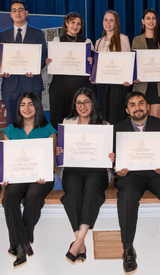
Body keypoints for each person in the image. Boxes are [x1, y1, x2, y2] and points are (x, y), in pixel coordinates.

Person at [114, 91, 160, 274]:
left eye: (141, 103)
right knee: (127, 195)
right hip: (131, 174)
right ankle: (128, 250)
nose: (137, 107)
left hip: (158, 172)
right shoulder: (118, 129)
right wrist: (115, 166)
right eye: (132, 105)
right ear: (127, 110)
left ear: (147, 106)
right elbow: (112, 160)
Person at [55, 87, 114, 263]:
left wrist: (111, 156)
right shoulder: (67, 123)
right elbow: (62, 153)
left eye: (86, 102)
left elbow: (108, 155)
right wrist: (59, 151)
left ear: (92, 104)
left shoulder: (104, 126)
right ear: (75, 105)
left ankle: (78, 241)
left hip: (97, 170)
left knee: (92, 189)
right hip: (73, 168)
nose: (82, 106)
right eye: (79, 102)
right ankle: (80, 241)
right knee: (72, 192)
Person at [1, 92, 57, 268]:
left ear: (37, 107)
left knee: (33, 197)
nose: (26, 108)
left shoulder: (49, 130)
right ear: (18, 108)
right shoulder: (10, 130)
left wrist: (46, 173)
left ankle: (18, 243)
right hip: (18, 176)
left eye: (30, 104)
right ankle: (24, 243)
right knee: (9, 197)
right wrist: (5, 177)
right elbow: (6, 160)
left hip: (41, 177)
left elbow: (52, 163)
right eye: (23, 104)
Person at [0, 0, 50, 125]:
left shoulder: (37, 33)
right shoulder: (3, 34)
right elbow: (0, 57)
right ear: (10, 14)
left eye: (21, 10)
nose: (18, 13)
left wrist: (35, 69)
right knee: (12, 121)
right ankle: (12, 145)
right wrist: (2, 69)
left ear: (26, 13)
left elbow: (43, 55)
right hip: (10, 85)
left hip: (32, 83)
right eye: (14, 10)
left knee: (35, 120)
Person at [48, 12, 95, 129]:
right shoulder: (57, 41)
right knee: (59, 117)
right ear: (67, 24)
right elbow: (52, 63)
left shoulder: (87, 42)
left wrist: (92, 62)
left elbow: (94, 68)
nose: (75, 26)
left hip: (80, 86)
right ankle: (59, 146)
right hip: (60, 87)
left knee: (78, 117)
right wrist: (49, 62)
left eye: (78, 23)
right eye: (72, 22)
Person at [132, 8, 160, 118]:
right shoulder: (136, 40)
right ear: (143, 21)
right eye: (148, 18)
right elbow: (134, 62)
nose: (151, 21)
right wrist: (135, 76)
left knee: (155, 117)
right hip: (142, 85)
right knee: (143, 117)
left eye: (154, 18)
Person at [93, 10, 131, 125]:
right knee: (105, 114)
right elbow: (97, 64)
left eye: (111, 20)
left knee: (117, 115)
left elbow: (128, 61)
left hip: (119, 85)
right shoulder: (98, 42)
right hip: (104, 85)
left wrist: (127, 79)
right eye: (105, 19)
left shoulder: (123, 39)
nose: (108, 22)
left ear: (116, 23)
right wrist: (95, 76)